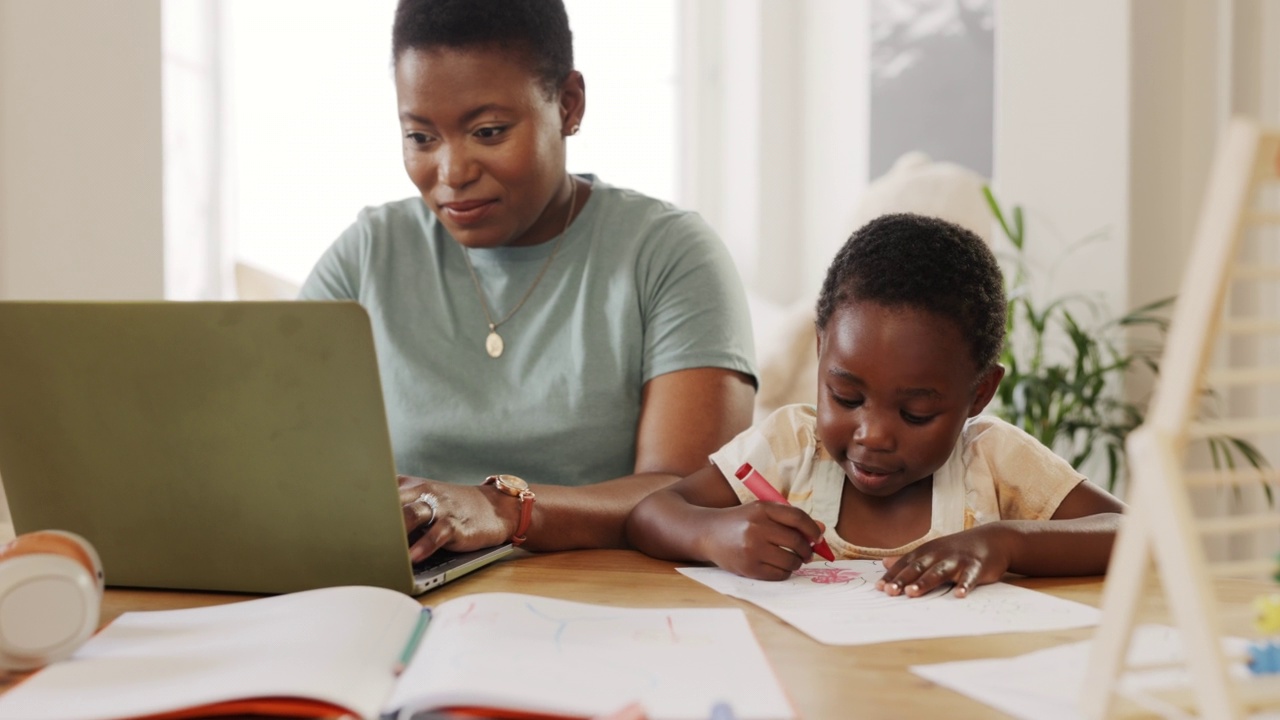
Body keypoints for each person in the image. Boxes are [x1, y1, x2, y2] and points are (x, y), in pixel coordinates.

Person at [299, 0, 757, 561]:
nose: (452, 173)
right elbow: (279, 459)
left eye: (488, 131)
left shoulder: (667, 254)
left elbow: (689, 496)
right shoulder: (369, 254)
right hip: (407, 591)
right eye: (420, 137)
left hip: (604, 603)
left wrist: (501, 509)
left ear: (568, 105)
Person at [626, 213, 1126, 598]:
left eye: (915, 414)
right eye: (846, 397)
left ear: (979, 393)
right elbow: (653, 512)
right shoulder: (791, 445)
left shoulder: (992, 460)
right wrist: (713, 533)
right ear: (821, 352)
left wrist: (1006, 542)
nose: (873, 434)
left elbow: (1134, 531)